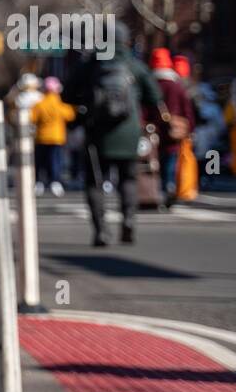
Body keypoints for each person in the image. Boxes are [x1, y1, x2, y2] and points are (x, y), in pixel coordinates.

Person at [62, 26, 164, 245]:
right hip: (128, 132)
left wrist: (86, 104)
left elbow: (66, 94)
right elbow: (155, 97)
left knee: (94, 182)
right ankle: (128, 221)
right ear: (126, 41)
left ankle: (100, 230)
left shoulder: (90, 65)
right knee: (128, 178)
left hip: (96, 131)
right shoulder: (135, 65)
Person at [147, 47, 195, 206]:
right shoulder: (177, 86)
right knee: (171, 163)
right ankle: (170, 187)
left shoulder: (150, 84)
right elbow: (187, 110)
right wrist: (190, 128)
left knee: (154, 163)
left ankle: (157, 191)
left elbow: (144, 109)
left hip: (153, 131)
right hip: (174, 132)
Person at [30, 75, 75, 196]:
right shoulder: (60, 105)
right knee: (56, 162)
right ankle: (55, 182)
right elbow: (70, 115)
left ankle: (39, 183)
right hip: (57, 138)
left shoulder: (39, 104)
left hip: (41, 138)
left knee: (40, 162)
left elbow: (32, 117)